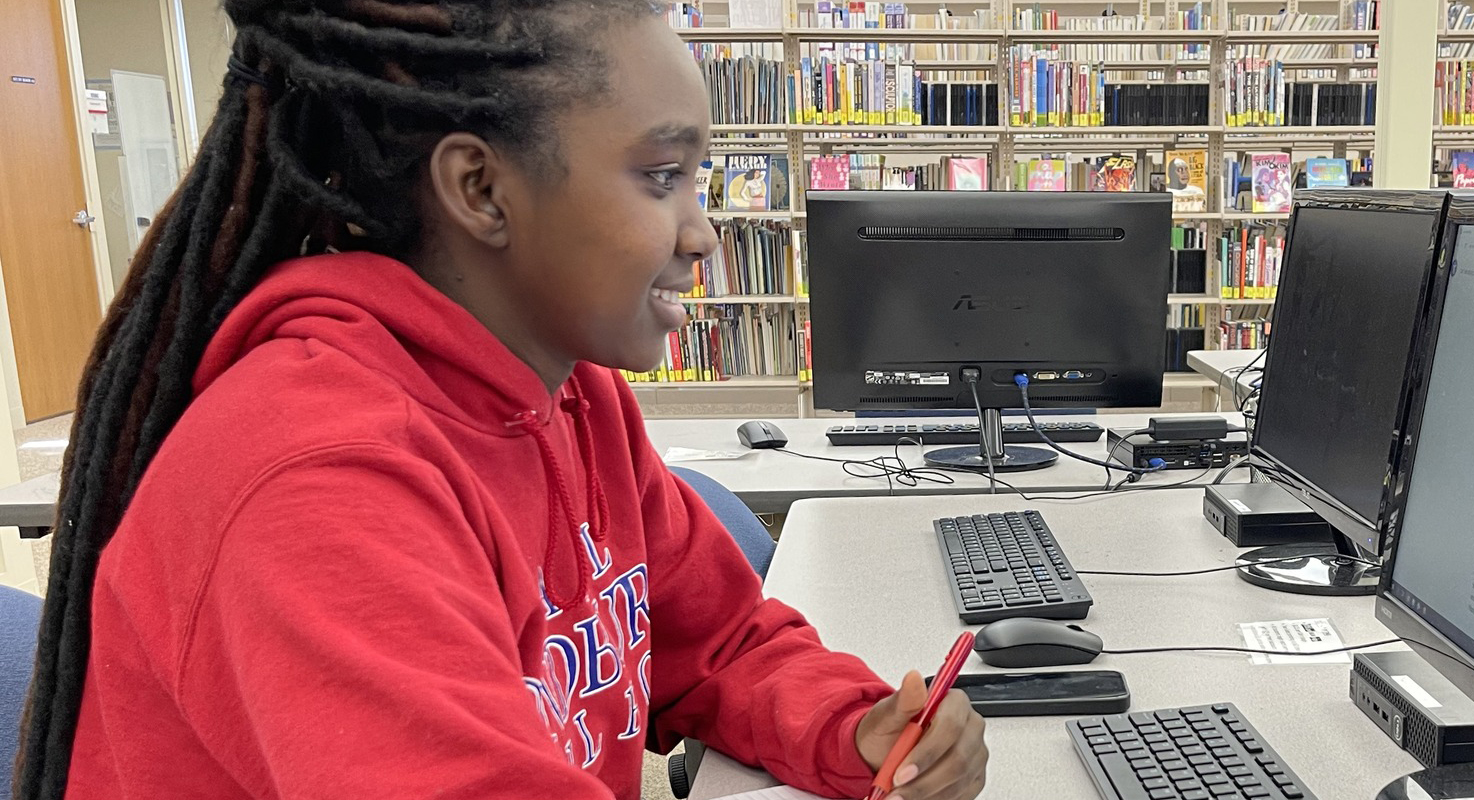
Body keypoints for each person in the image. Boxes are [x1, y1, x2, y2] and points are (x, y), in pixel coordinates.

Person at [14, 1, 988, 798]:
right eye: (660, 177)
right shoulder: (315, 479)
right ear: (481, 188)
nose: (701, 236)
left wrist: (853, 725)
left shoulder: (574, 396)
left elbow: (718, 636)